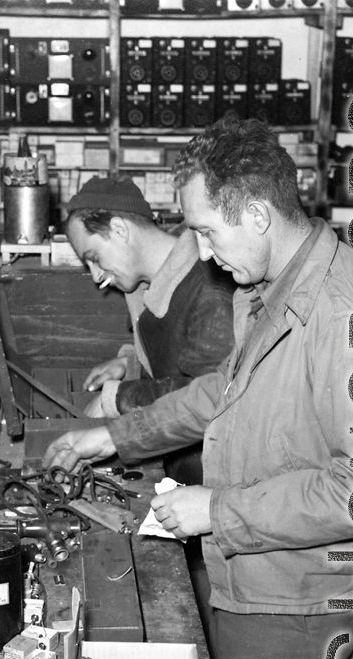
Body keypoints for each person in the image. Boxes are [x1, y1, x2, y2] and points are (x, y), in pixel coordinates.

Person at [44, 116, 353, 659]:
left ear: (257, 212)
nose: (206, 256)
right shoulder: (276, 287)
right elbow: (223, 391)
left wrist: (217, 508)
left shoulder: (352, 315)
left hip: (300, 604)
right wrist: (114, 434)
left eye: (210, 232)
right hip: (256, 582)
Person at [65, 175, 235, 484]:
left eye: (94, 258)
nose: (95, 275)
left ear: (119, 229)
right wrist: (131, 363)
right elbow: (179, 351)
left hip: (212, 479)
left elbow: (206, 398)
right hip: (181, 461)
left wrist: (115, 399)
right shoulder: (157, 279)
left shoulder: (210, 288)